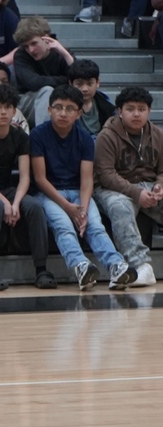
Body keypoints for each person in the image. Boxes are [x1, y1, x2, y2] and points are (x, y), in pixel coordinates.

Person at [30, 84, 133, 291]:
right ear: (49, 110)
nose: (63, 113)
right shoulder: (38, 135)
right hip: (49, 193)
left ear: (78, 113)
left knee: (94, 225)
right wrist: (68, 207)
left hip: (79, 192)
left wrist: (83, 209)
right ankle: (81, 266)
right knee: (64, 226)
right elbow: (40, 179)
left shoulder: (85, 139)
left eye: (70, 109)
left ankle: (116, 266)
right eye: (58, 107)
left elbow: (86, 180)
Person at [0, 83, 55, 290]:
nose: (3, 112)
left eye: (8, 107)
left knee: (34, 206)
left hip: (9, 188)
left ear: (15, 111)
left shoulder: (20, 137)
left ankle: (41, 269)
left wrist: (15, 203)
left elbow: (25, 176)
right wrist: (4, 202)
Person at [93, 86, 163, 287]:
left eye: (141, 109)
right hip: (112, 189)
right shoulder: (106, 136)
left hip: (147, 186)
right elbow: (106, 176)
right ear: (119, 111)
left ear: (149, 111)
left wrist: (159, 186)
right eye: (130, 109)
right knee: (120, 207)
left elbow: (162, 171)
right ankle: (141, 267)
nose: (136, 114)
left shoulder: (158, 135)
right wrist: (136, 192)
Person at [13, 16, 74, 128]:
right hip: (27, 103)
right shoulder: (20, 55)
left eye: (34, 43)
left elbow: (77, 80)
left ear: (46, 38)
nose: (31, 50)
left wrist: (65, 54)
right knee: (47, 91)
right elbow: (34, 82)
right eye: (26, 46)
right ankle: (43, 137)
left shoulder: (61, 52)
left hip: (58, 103)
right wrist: (65, 81)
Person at [67, 59, 115, 138]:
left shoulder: (107, 106)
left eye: (90, 83)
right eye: (79, 84)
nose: (85, 89)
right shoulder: (64, 107)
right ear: (70, 84)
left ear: (97, 83)